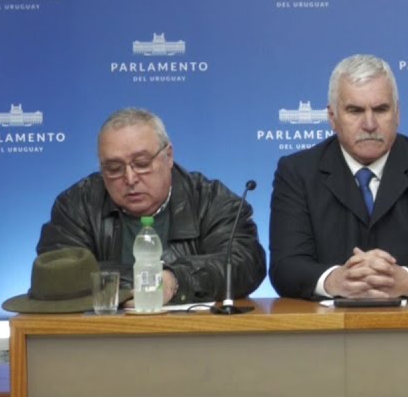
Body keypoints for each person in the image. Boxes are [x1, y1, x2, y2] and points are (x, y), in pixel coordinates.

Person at [269, 54, 408, 300]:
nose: (369, 123)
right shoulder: (297, 172)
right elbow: (285, 268)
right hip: (327, 331)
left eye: (381, 109)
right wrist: (335, 280)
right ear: (332, 118)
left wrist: (407, 280)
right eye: (355, 110)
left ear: (397, 114)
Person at [37, 107, 266, 305]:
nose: (129, 178)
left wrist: (175, 281)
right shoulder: (77, 205)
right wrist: (156, 279)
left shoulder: (212, 200)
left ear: (168, 156)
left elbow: (243, 264)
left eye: (142, 163)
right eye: (114, 168)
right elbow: (59, 276)